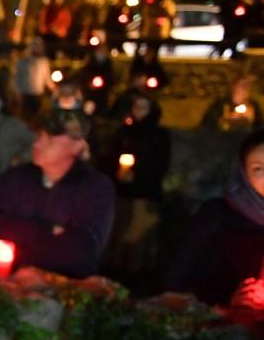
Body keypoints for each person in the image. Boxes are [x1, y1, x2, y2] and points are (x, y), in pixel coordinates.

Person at [0, 108, 114, 279]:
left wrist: (20, 253)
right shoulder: (16, 178)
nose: (37, 144)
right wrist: (46, 230)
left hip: (66, 287)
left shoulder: (94, 187)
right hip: (8, 280)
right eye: (39, 136)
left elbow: (82, 249)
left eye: (50, 139)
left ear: (78, 145)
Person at [166, 130, 264, 308]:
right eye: (258, 169)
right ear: (244, 174)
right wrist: (229, 300)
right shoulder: (216, 214)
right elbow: (178, 278)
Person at [102, 93, 170, 278]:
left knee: (138, 235)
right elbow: (110, 156)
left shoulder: (159, 135)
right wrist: (118, 172)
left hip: (145, 192)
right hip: (122, 191)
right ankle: (114, 270)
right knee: (119, 229)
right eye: (136, 107)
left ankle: (138, 274)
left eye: (143, 107)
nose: (138, 112)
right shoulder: (124, 132)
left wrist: (138, 173)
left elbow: (160, 164)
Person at [12, 38, 54, 119]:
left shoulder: (44, 62)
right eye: (35, 45)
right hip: (25, 93)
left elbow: (47, 78)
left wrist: (54, 89)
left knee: (36, 116)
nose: (37, 48)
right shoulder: (22, 61)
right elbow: (17, 78)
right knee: (24, 116)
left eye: (39, 46)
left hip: (38, 94)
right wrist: (17, 93)